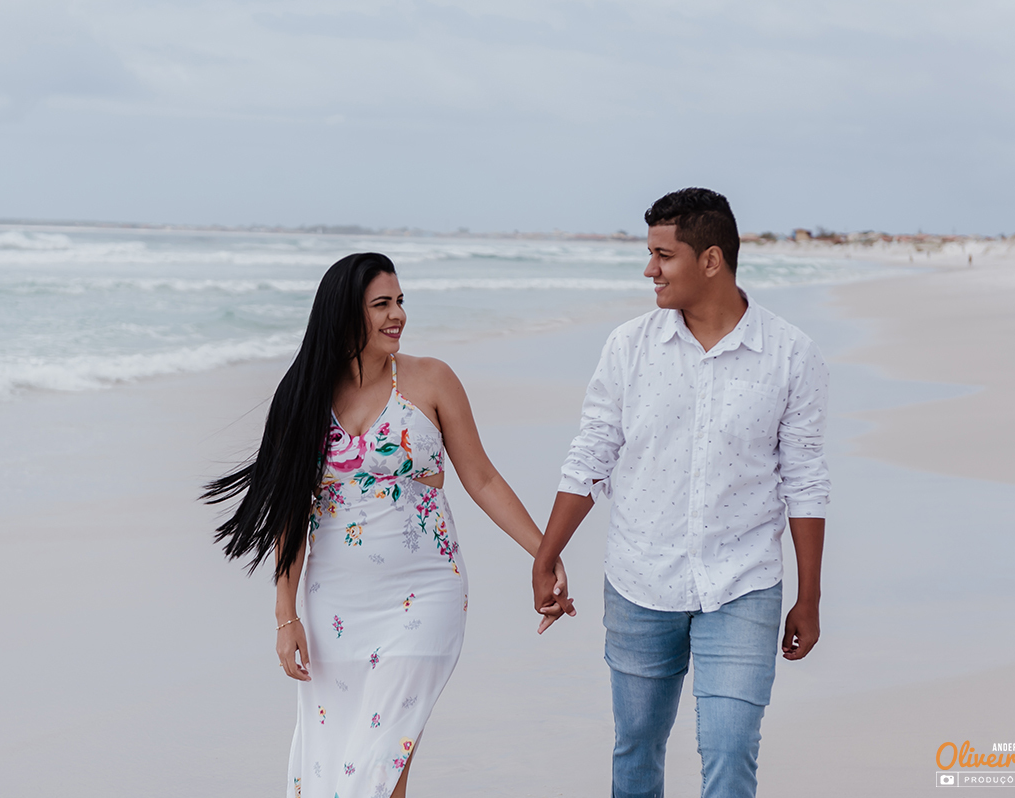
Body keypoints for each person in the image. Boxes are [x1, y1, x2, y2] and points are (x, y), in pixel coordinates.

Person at [205, 253, 572, 798]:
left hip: (425, 595)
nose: (397, 314)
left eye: (400, 301)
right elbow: (290, 513)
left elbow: (482, 478)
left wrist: (545, 553)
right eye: (382, 304)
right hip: (336, 608)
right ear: (345, 313)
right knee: (340, 764)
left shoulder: (432, 380)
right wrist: (285, 616)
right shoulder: (304, 397)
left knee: (381, 758)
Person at [531, 188, 829, 798]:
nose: (650, 270)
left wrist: (810, 596)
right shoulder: (628, 347)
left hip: (743, 584)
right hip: (640, 580)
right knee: (638, 747)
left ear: (711, 259)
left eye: (663, 255)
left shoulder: (791, 355)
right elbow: (591, 455)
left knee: (730, 750)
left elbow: (805, 479)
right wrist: (546, 554)